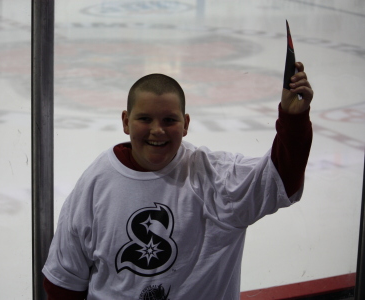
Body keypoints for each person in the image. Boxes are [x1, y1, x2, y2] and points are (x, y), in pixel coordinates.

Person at [42, 62, 313, 299]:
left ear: (185, 123)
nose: (157, 130)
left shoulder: (213, 178)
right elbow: (63, 282)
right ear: (126, 122)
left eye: (169, 120)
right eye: (145, 119)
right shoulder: (96, 182)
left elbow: (280, 178)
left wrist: (294, 117)